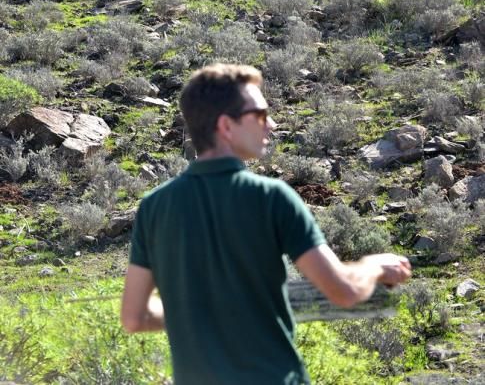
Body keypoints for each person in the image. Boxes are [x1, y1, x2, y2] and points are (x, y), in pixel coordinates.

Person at [121, 63, 412, 385]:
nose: (271, 124)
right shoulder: (272, 197)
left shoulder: (154, 207)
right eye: (259, 114)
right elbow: (342, 291)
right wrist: (375, 265)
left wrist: (198, 312)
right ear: (226, 126)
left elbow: (135, 318)